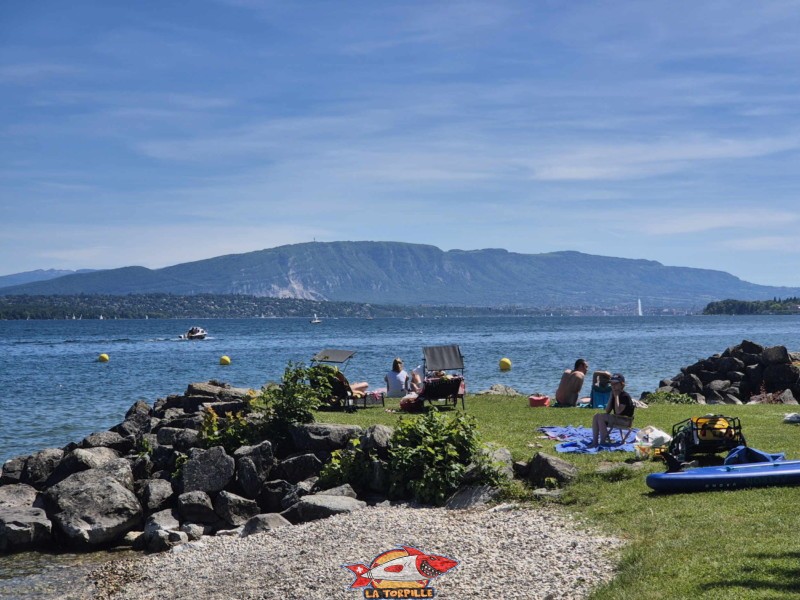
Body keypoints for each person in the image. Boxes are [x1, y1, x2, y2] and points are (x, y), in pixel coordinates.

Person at [590, 373, 635, 446]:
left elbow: (618, 412)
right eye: (611, 384)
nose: (613, 386)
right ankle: (595, 441)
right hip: (617, 418)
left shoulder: (625, 396)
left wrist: (616, 397)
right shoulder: (614, 395)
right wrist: (611, 397)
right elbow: (607, 411)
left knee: (600, 417)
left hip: (626, 420)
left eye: (615, 384)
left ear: (622, 385)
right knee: (596, 416)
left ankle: (602, 441)